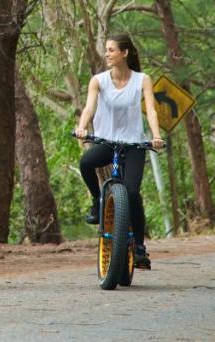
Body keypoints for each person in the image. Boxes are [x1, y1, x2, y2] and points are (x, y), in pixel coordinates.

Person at [74, 33, 165, 269]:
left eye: (112, 50)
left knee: (132, 193)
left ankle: (140, 247)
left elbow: (151, 111)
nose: (107, 54)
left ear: (124, 53)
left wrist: (155, 136)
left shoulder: (142, 79)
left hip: (133, 144)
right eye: (106, 50)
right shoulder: (99, 80)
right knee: (86, 163)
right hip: (107, 141)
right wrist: (82, 128)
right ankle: (97, 201)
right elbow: (89, 107)